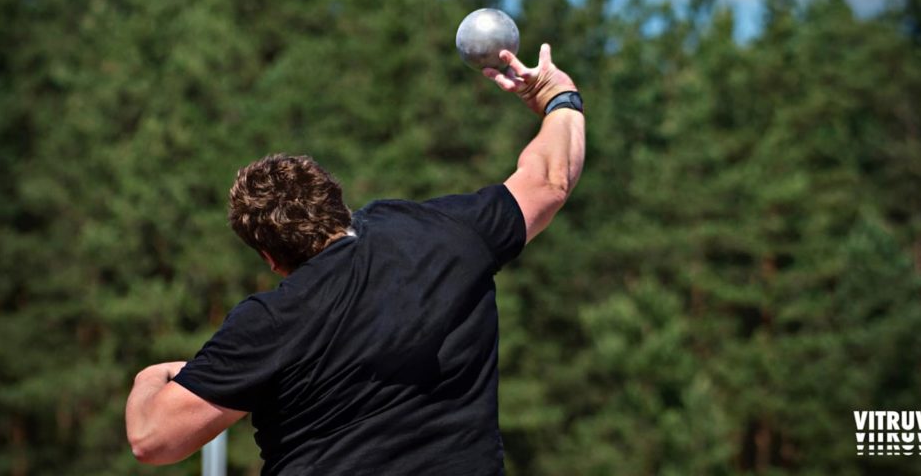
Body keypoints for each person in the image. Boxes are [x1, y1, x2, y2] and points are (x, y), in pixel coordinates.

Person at [125, 43, 585, 475]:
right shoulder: (443, 234)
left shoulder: (269, 324)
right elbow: (548, 181)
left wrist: (154, 376)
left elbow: (152, 439)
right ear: (337, 198)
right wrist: (558, 97)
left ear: (269, 256)